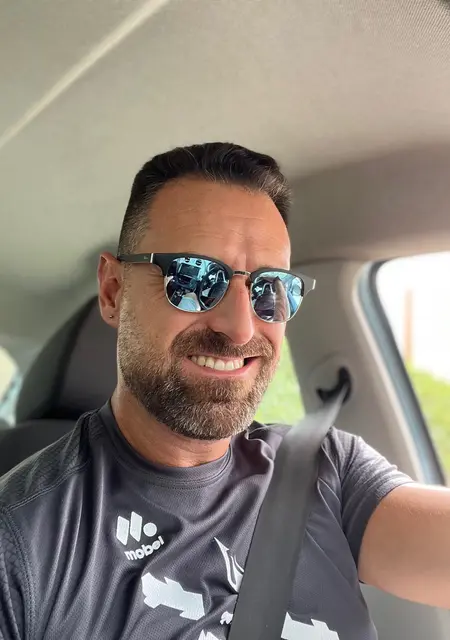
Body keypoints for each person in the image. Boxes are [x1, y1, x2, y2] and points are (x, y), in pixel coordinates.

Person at [0, 143, 449, 640]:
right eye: (192, 278)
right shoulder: (19, 542)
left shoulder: (325, 470)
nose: (240, 328)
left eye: (269, 288)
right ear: (113, 291)